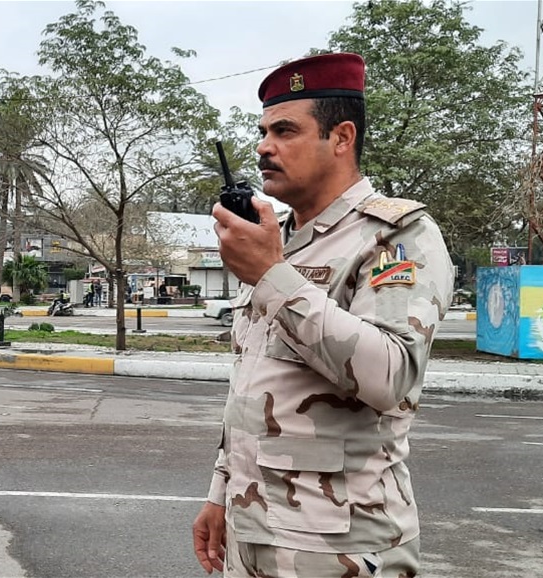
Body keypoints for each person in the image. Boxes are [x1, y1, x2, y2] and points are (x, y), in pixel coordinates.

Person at [192, 53, 454, 577]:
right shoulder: (279, 239)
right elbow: (252, 385)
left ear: (341, 137)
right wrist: (222, 491)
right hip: (253, 532)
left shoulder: (395, 236)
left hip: (338, 546)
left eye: (285, 130)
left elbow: (392, 375)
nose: (265, 146)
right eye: (262, 131)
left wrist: (271, 277)